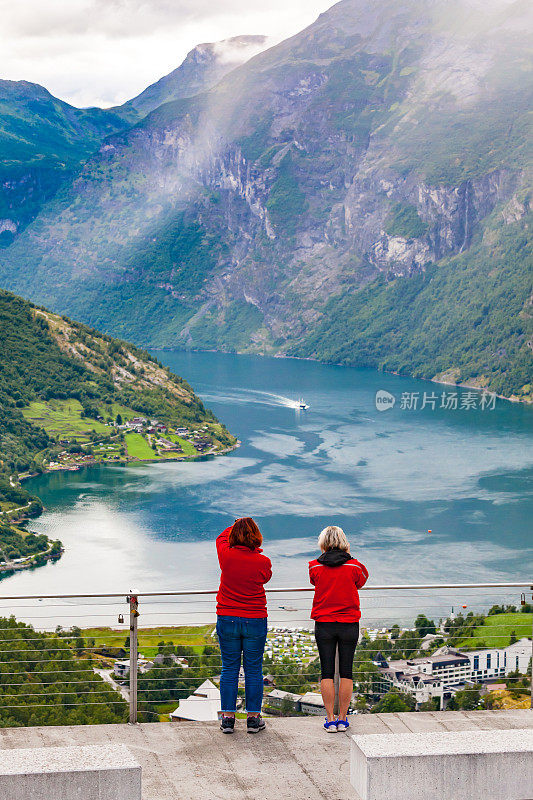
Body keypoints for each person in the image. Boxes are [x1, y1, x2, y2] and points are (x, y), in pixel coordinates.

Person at [309, 525, 368, 732]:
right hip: (349, 623)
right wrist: (350, 556)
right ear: (344, 542)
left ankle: (330, 718)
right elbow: (361, 581)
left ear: (323, 543)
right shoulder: (354, 566)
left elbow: (314, 581)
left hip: (324, 623)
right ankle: (343, 719)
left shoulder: (314, 566)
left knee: (326, 672)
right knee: (346, 672)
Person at [216, 517, 272, 734]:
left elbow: (220, 537)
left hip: (227, 617)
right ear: (256, 536)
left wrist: (236, 526)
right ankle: (253, 719)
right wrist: (248, 531)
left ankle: (228, 719)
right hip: (255, 620)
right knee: (253, 670)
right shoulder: (263, 561)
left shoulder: (225, 555)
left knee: (229, 668)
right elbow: (265, 578)